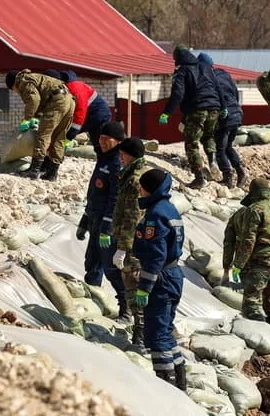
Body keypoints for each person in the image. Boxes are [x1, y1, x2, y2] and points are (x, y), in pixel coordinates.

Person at [131, 168, 187, 391]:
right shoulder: (170, 209)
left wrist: (144, 287)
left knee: (155, 334)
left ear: (149, 188)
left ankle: (166, 388)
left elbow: (156, 255)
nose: (139, 190)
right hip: (172, 275)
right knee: (164, 331)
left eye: (141, 186)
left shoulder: (155, 215)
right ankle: (180, 384)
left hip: (162, 279)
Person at [223, 176, 270, 332]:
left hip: (260, 263)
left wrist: (237, 265)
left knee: (251, 303)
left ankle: (258, 344)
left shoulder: (253, 210)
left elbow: (248, 240)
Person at [77, 121, 127, 320]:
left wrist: (107, 227)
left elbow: (114, 199)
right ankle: (93, 304)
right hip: (95, 219)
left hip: (108, 225)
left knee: (111, 268)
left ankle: (127, 309)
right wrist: (85, 219)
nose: (103, 142)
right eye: (101, 138)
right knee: (92, 262)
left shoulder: (117, 163)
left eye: (108, 140)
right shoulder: (103, 159)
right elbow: (95, 193)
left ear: (118, 141)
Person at [160, 46, 223, 188]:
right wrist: (223, 107)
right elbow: (218, 88)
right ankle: (212, 160)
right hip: (214, 108)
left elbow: (178, 94)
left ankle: (199, 177)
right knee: (209, 136)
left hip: (197, 109)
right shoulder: (206, 67)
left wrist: (166, 113)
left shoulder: (182, 71)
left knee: (191, 143)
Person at [110, 136, 151, 347]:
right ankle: (142, 329)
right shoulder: (136, 174)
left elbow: (133, 216)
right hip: (137, 242)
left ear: (130, 154)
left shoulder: (135, 179)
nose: (120, 157)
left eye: (122, 154)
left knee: (134, 286)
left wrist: (122, 248)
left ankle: (142, 333)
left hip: (134, 244)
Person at [6, 69, 75, 181]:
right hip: (69, 100)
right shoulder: (33, 78)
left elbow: (33, 100)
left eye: (13, 90)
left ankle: (34, 170)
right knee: (59, 137)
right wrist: (36, 117)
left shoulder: (23, 81)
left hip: (57, 101)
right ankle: (52, 173)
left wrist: (28, 119)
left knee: (43, 135)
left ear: (13, 84)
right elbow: (41, 99)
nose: (16, 92)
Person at [209, 57, 247, 188]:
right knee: (228, 146)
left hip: (226, 116)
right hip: (237, 112)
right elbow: (235, 93)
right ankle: (241, 171)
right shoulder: (225, 75)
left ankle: (228, 177)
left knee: (220, 149)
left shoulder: (210, 78)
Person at [54, 71, 112, 154]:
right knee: (99, 144)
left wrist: (68, 139)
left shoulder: (75, 88)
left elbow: (79, 115)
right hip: (94, 114)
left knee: (101, 144)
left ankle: (108, 163)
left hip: (98, 115)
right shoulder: (68, 88)